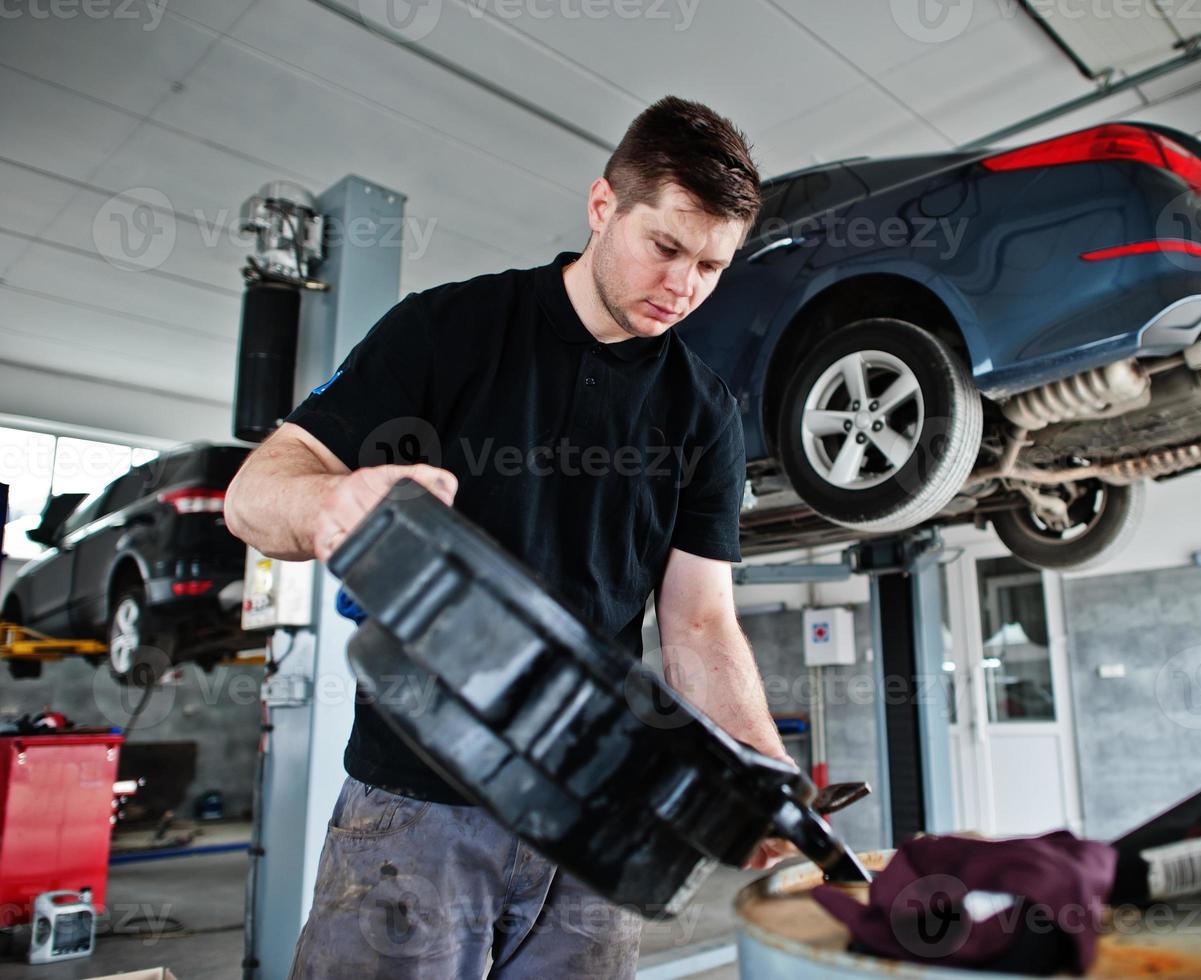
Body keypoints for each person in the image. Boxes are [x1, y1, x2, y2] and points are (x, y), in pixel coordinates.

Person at [224, 95, 796, 979]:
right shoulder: (447, 329)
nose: (684, 286)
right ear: (603, 205)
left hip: (598, 828)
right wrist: (329, 503)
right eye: (667, 248)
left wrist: (765, 779)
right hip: (417, 812)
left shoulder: (704, 414)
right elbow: (255, 491)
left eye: (712, 266)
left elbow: (698, 624)